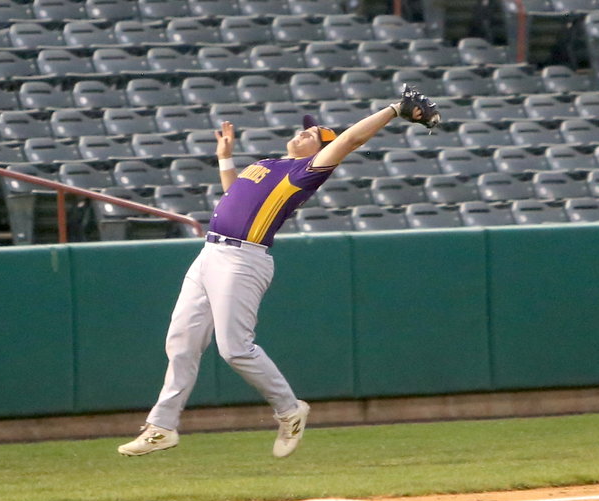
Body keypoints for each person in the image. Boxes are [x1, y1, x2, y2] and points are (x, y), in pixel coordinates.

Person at [117, 85, 440, 459]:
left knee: (235, 349)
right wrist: (226, 160)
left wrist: (394, 109)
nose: (304, 133)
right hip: (210, 253)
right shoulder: (268, 164)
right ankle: (162, 427)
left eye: (313, 135)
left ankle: (289, 410)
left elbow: (351, 140)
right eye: (305, 129)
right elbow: (234, 197)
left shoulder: (305, 172)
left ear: (320, 152)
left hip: (242, 260)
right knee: (181, 342)